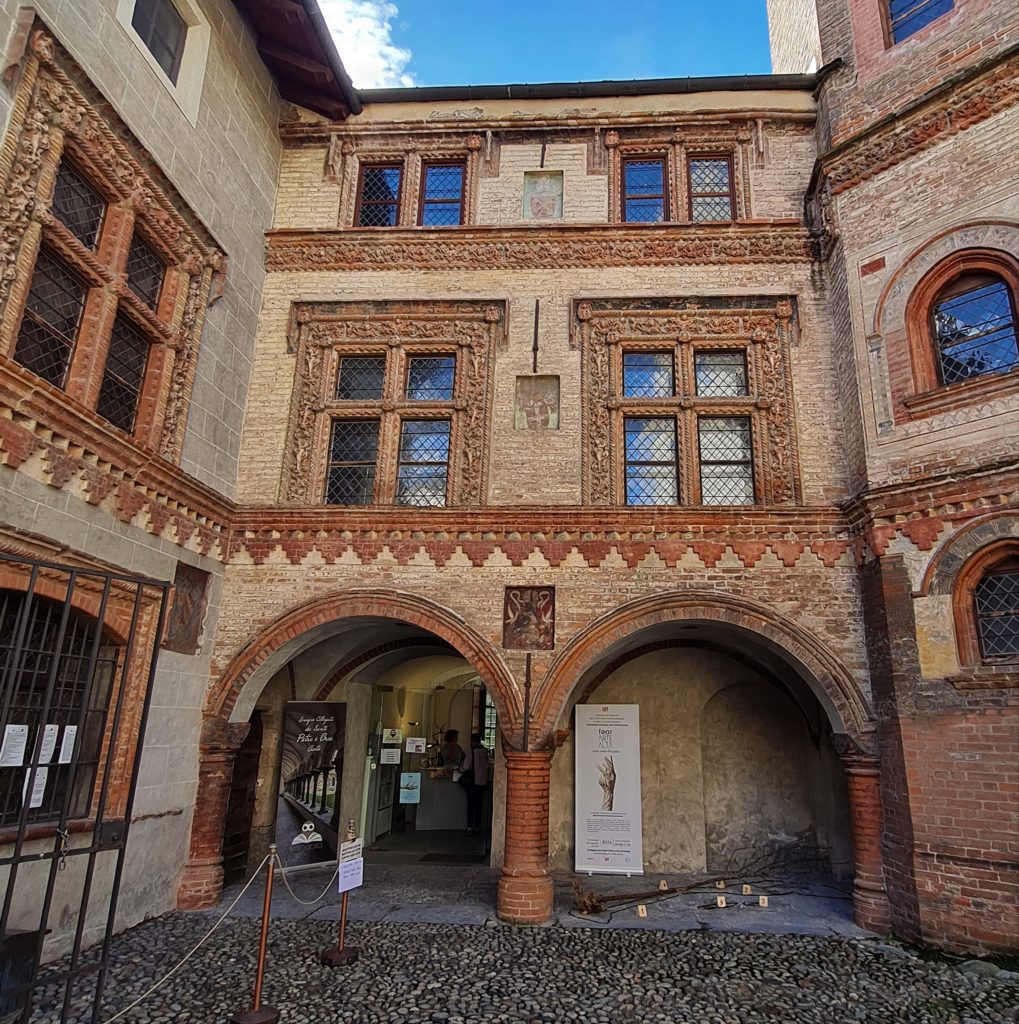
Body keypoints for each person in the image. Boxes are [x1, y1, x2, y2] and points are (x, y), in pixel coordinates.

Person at [460, 732, 490, 836]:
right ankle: (477, 826)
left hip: (472, 781)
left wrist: (460, 768)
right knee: (479, 805)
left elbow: (466, 767)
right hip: (482, 781)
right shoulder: (485, 751)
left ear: (472, 740)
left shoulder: (471, 751)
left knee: (471, 804)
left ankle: (469, 827)